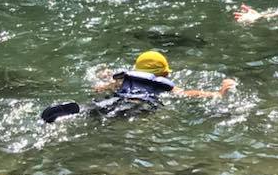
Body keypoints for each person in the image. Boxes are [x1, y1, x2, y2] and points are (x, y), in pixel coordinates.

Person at [41, 50, 236, 123]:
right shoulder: (160, 83)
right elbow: (186, 94)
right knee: (117, 116)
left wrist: (103, 78)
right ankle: (83, 115)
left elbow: (100, 88)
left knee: (101, 107)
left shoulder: (124, 77)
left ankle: (78, 109)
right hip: (141, 104)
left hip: (119, 96)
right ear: (165, 73)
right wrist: (217, 93)